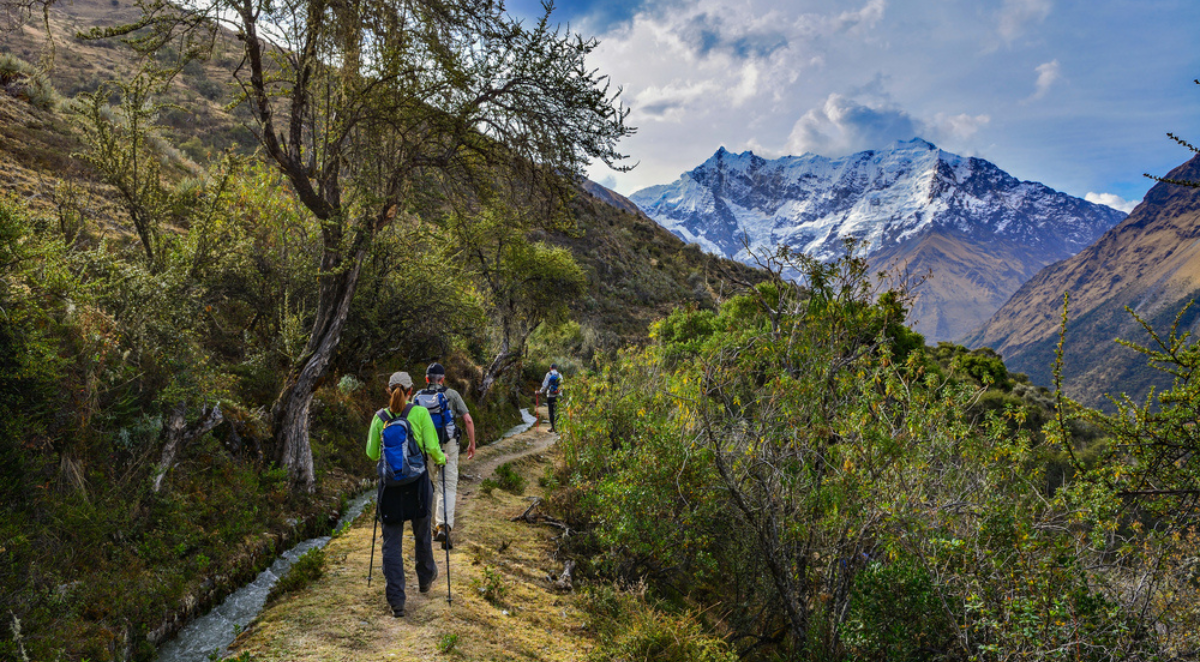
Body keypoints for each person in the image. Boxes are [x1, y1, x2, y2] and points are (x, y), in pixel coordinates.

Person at [366, 371, 446, 618]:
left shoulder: (379, 418)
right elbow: (433, 448)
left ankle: (397, 601)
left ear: (389, 390)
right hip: (418, 485)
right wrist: (442, 459)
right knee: (422, 534)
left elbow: (371, 454)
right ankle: (425, 579)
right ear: (411, 391)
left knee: (392, 543)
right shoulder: (420, 413)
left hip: (389, 488)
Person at [415, 362, 475, 550]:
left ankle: (434, 529)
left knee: (432, 485)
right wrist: (472, 444)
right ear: (443, 379)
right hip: (448, 444)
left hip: (428, 447)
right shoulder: (452, 394)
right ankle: (444, 525)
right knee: (447, 484)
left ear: (426, 379)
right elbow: (468, 419)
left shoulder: (417, 396)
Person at [538, 364, 563, 433]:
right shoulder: (560, 375)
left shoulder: (548, 374)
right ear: (557, 368)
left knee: (551, 412)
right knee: (558, 411)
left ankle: (553, 428)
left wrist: (540, 392)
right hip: (559, 396)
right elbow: (562, 386)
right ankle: (558, 427)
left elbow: (545, 384)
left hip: (550, 396)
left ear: (550, 368)